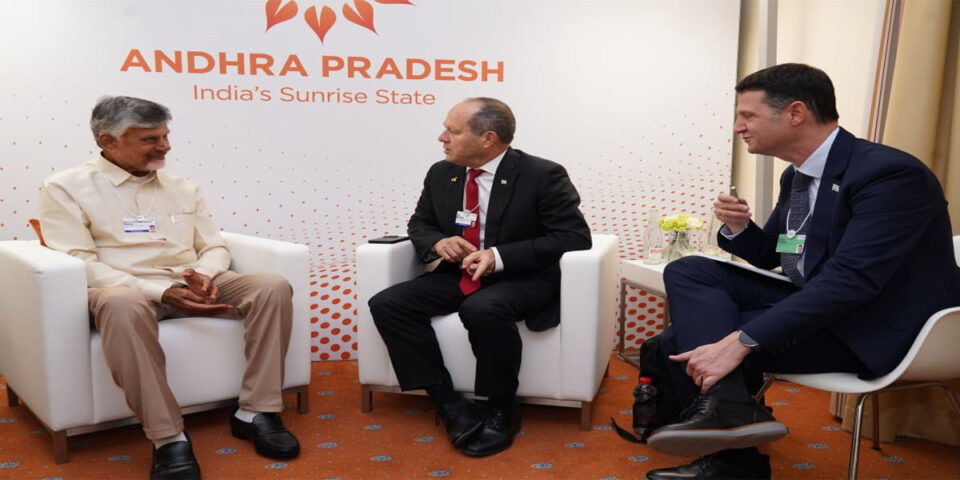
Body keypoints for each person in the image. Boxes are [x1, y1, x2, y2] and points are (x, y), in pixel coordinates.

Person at [643, 63, 960, 479]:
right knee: (689, 269)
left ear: (795, 113)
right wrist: (737, 227)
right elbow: (770, 253)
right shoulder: (797, 177)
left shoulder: (890, 175)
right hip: (822, 305)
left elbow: (852, 281)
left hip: (876, 324)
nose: (738, 128)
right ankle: (729, 407)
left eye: (748, 116)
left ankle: (735, 460)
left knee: (679, 338)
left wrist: (742, 339)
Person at [38, 96, 301, 480]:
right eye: (150, 139)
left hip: (189, 279)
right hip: (124, 288)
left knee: (272, 287)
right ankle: (168, 437)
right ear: (108, 141)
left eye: (164, 136)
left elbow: (213, 246)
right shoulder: (65, 187)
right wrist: (158, 292)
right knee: (122, 304)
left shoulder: (182, 187)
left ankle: (256, 411)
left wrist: (204, 276)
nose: (164, 147)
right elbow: (78, 262)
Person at [368, 97, 592, 457]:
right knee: (388, 303)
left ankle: (502, 408)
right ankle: (448, 402)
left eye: (452, 131)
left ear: (488, 139)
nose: (442, 138)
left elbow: (573, 237)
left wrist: (498, 256)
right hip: (460, 273)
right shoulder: (441, 173)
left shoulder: (542, 174)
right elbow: (420, 223)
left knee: (483, 309)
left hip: (522, 277)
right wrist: (438, 242)